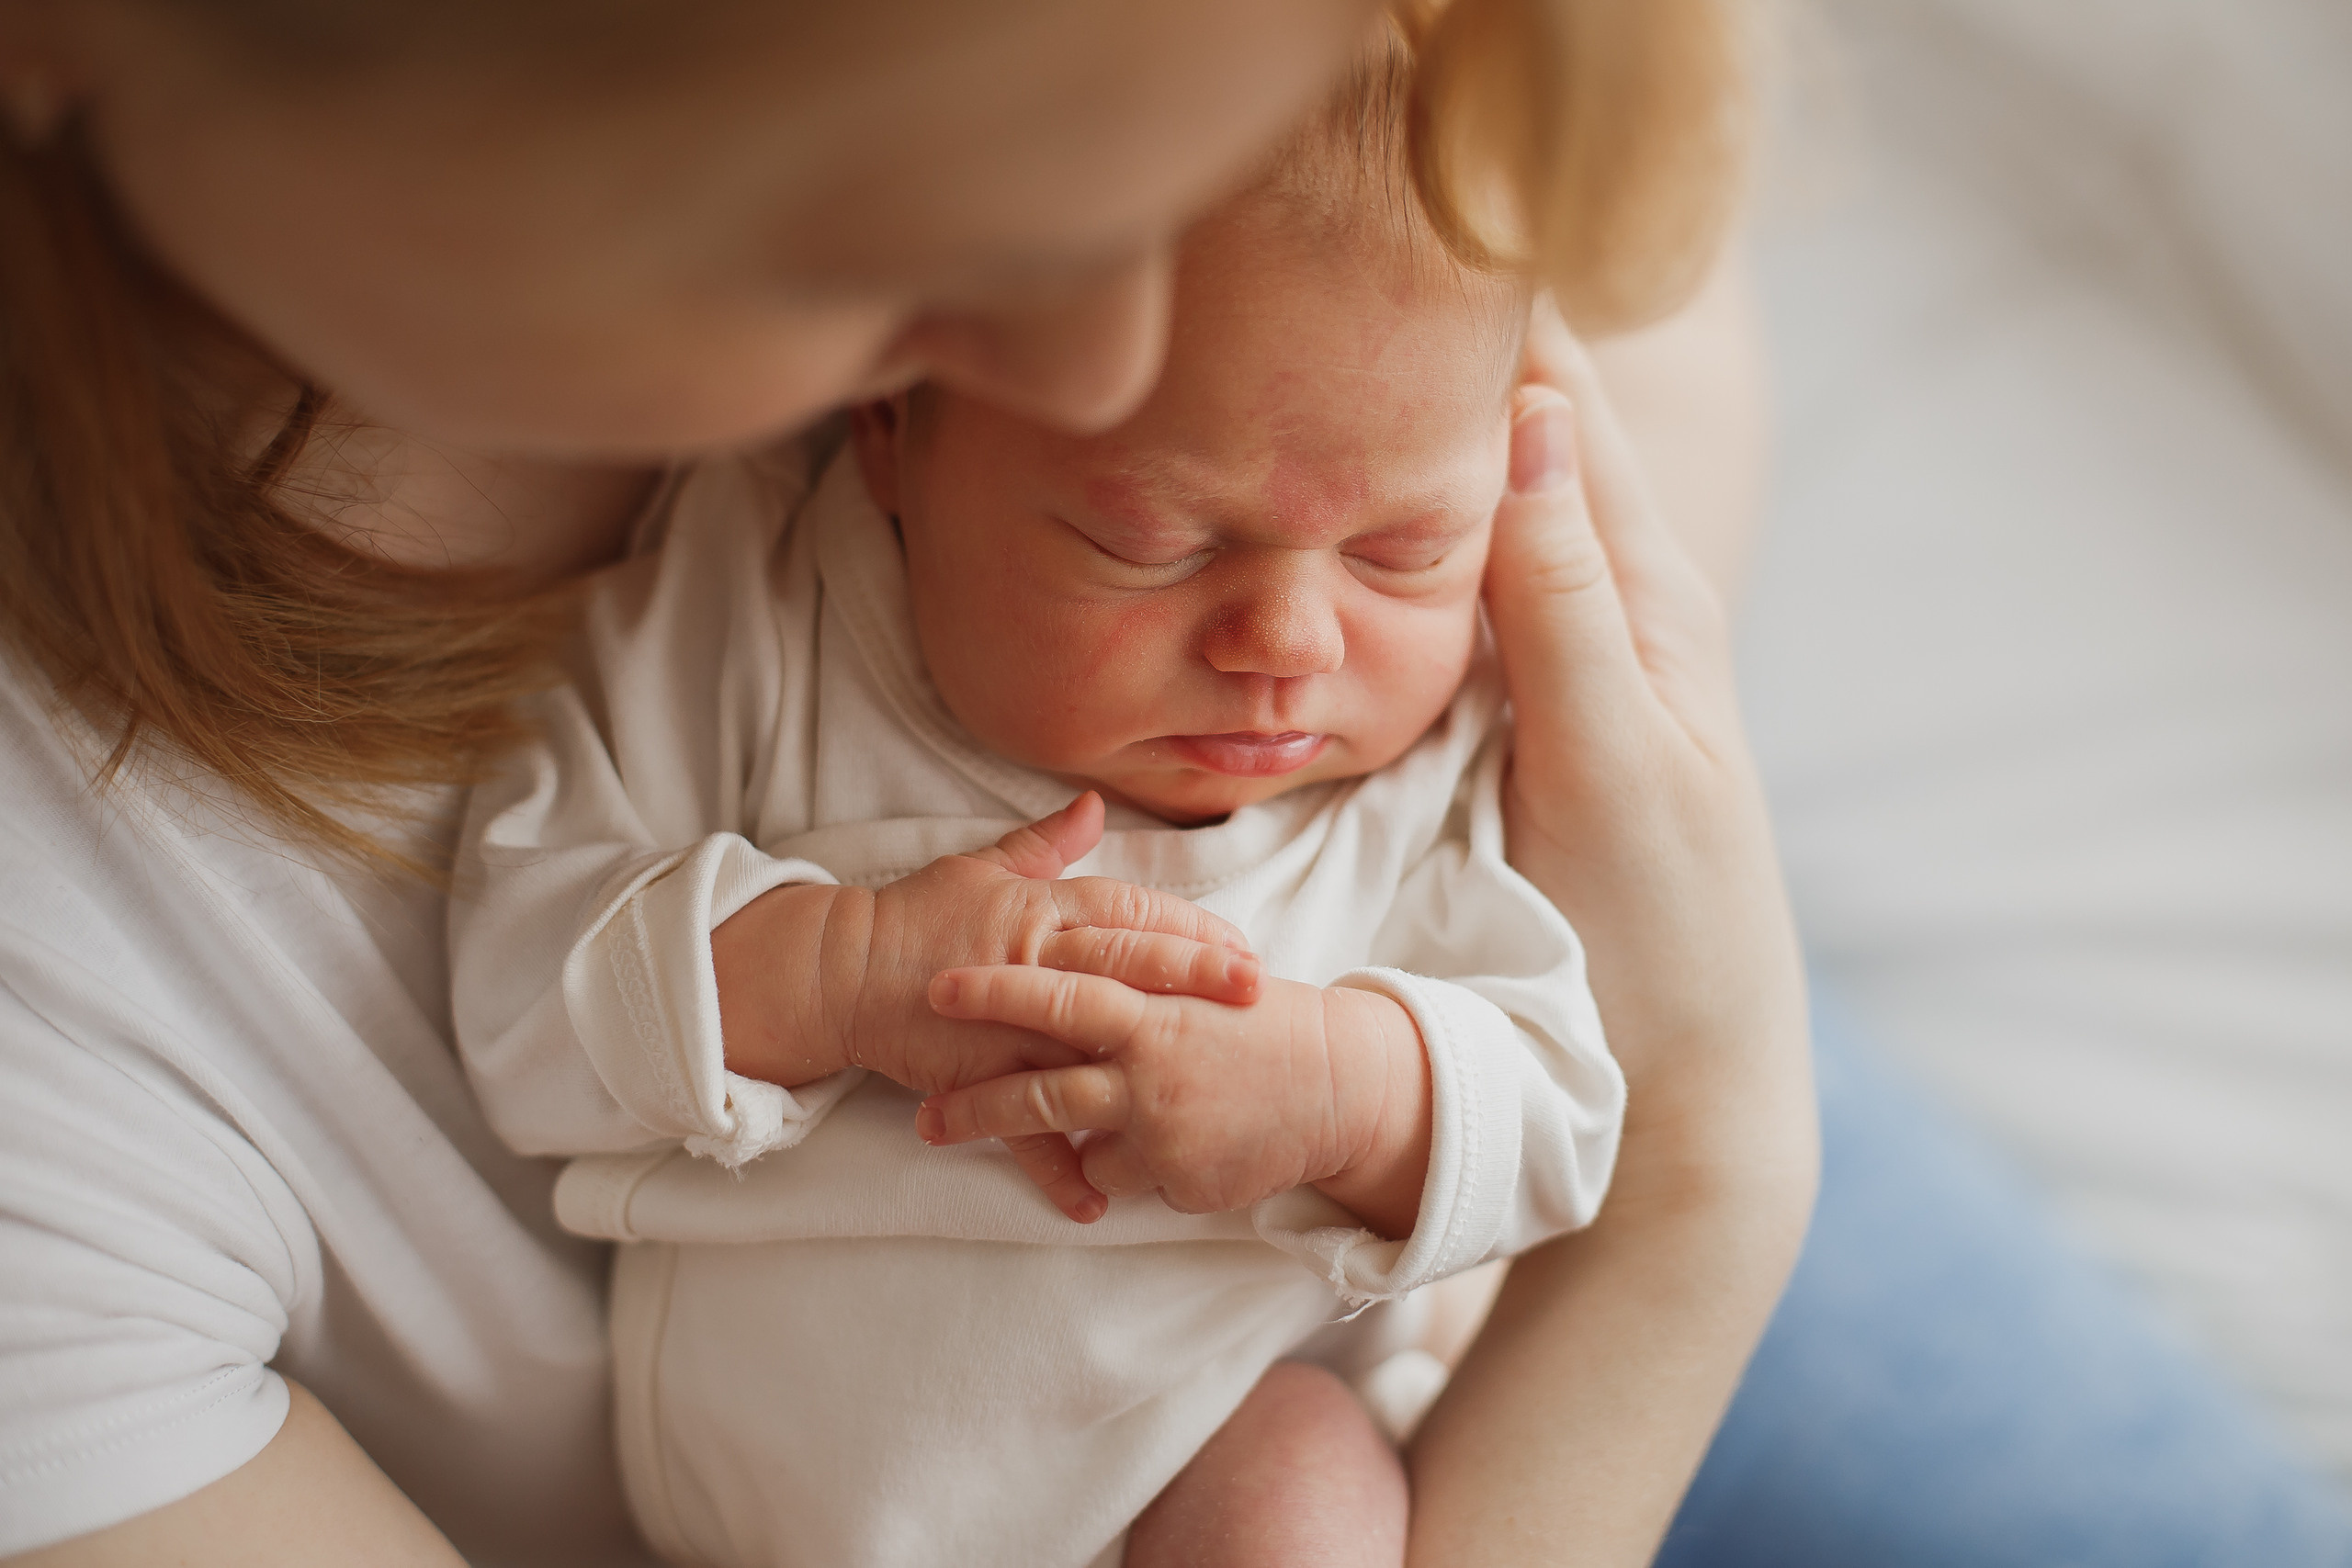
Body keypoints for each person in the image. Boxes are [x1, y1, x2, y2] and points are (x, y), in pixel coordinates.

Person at [0, 2, 1813, 1565]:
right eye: (854, 243)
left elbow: (1624, 313)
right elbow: (551, 977)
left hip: (1362, 1343)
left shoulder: (1334, 462)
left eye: (1409, 546)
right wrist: (1705, 1156)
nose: (1115, 354)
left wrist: (1420, 1106)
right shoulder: (724, 608)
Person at [448, 50, 1625, 1563]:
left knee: (1308, 1487)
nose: (1290, 645)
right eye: (1151, 542)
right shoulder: (766, 601)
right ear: (892, 427)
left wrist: (1351, 1089)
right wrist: (839, 977)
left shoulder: (1433, 750)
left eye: (1403, 553)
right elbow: (518, 993)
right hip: (777, 1506)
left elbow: (1567, 1116)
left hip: (1205, 1443)